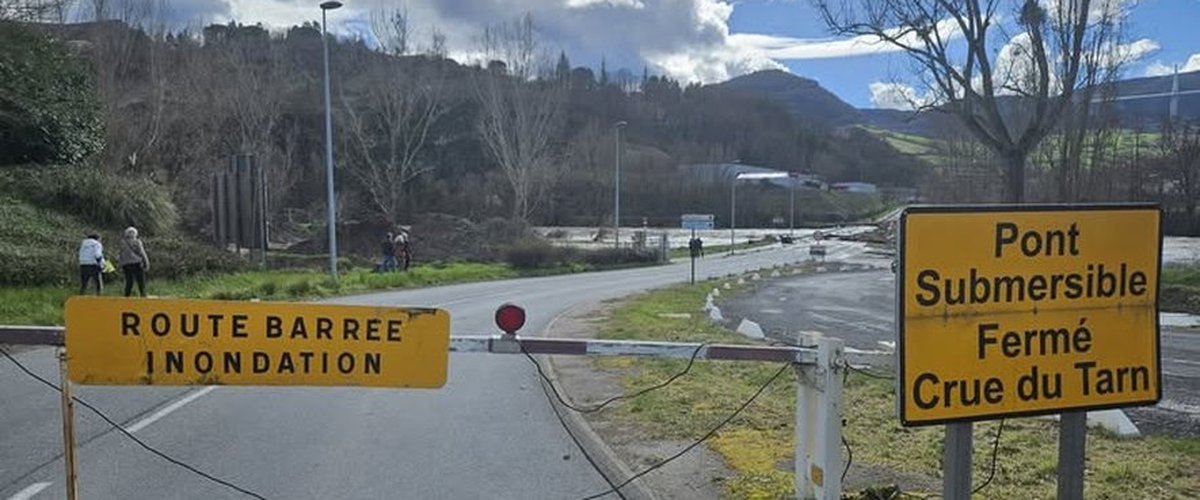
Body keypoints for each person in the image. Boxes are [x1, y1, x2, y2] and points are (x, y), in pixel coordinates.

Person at [118, 226, 150, 297]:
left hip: (126, 264)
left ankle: (127, 296)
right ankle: (143, 295)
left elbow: (120, 255)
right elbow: (142, 253)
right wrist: (146, 262)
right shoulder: (137, 242)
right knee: (141, 281)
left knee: (129, 281)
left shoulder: (122, 243)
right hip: (137, 263)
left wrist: (120, 265)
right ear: (135, 234)